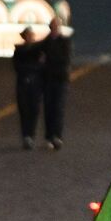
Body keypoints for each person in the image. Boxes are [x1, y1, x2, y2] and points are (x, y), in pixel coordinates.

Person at [12, 26, 45, 149]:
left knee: (34, 110)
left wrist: (29, 68)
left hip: (34, 85)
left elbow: (41, 66)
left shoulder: (37, 50)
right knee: (24, 110)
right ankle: (26, 136)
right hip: (23, 84)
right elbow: (17, 67)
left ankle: (31, 135)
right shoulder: (19, 50)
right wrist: (33, 67)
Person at [42, 16, 72, 150]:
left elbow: (64, 58)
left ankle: (57, 136)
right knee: (49, 109)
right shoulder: (45, 42)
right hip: (48, 80)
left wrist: (48, 59)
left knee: (58, 109)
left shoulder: (64, 42)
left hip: (60, 80)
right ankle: (49, 136)